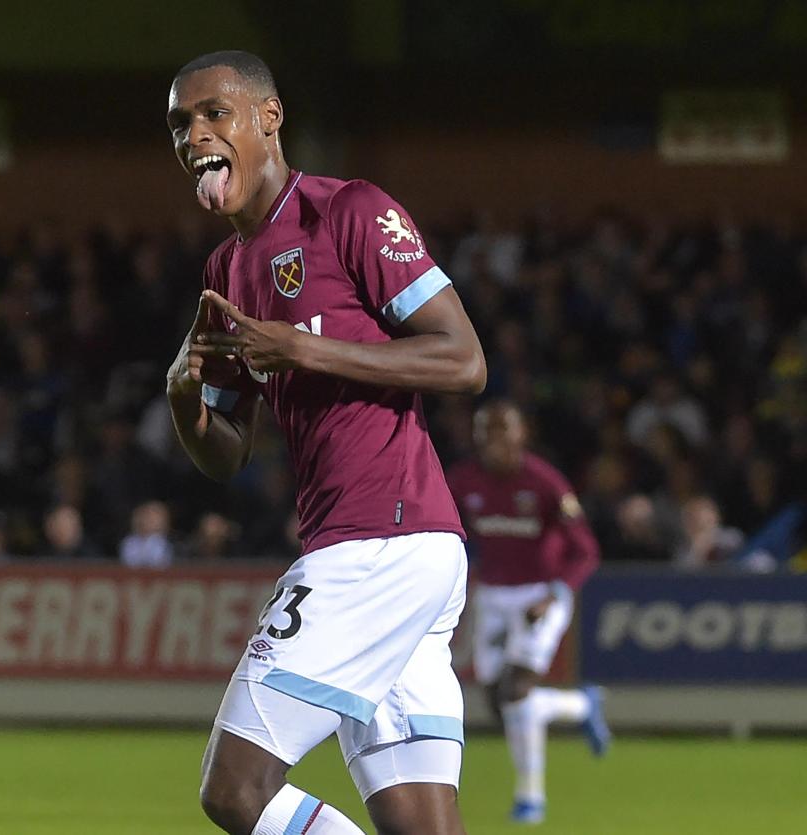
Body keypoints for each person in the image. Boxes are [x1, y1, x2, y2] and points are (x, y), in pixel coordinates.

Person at [165, 51, 486, 835]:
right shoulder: (228, 267)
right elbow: (228, 453)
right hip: (390, 549)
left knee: (234, 788)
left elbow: (463, 359)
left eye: (215, 114)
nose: (196, 135)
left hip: (382, 539)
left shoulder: (350, 211)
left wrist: (308, 349)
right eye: (181, 123)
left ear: (268, 118)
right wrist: (184, 400)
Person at [446, 400, 610, 825]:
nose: (492, 442)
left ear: (522, 435)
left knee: (517, 691)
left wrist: (556, 591)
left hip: (542, 596)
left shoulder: (545, 483)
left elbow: (586, 552)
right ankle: (581, 705)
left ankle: (530, 798)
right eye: (485, 432)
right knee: (497, 700)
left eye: (502, 431)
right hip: (494, 597)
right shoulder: (464, 481)